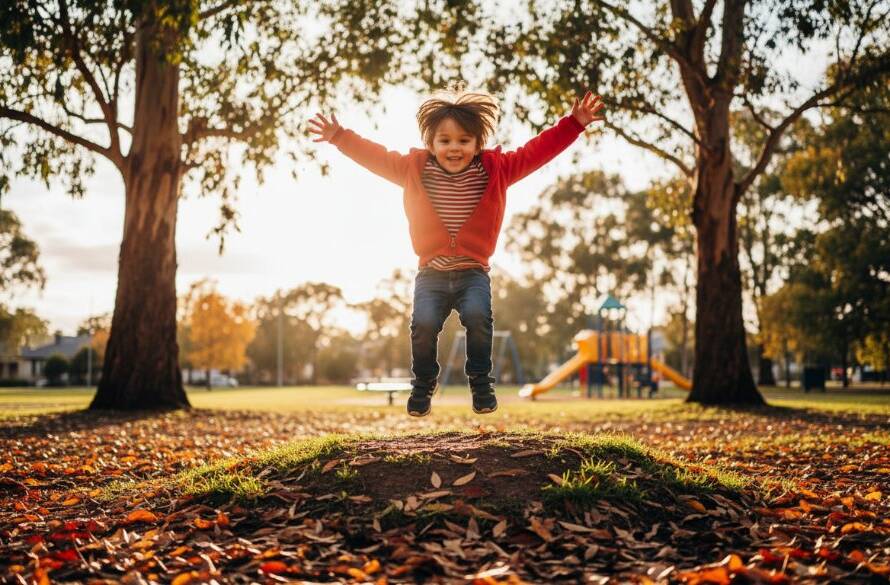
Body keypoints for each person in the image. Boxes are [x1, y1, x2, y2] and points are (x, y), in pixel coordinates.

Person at [309, 88, 605, 417]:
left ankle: (481, 383)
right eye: (445, 141)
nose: (454, 148)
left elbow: (538, 150)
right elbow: (374, 156)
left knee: (479, 318)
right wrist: (339, 136)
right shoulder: (412, 169)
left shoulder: (498, 170)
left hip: (473, 273)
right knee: (422, 324)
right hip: (431, 274)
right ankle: (422, 386)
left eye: (464, 141)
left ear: (478, 144)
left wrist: (573, 124)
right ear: (430, 144)